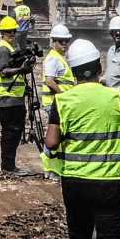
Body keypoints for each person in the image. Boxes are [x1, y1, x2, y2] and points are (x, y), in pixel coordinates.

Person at [45, 39, 120, 239]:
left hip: (75, 182)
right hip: (110, 182)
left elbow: (51, 142)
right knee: (110, 237)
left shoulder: (63, 101)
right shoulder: (117, 98)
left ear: (74, 72)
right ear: (99, 67)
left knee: (79, 238)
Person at [0, 16, 30, 176]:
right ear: (2, 32)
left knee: (13, 132)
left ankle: (9, 165)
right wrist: (21, 70)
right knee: (11, 133)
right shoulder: (3, 49)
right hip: (6, 99)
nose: (12, 33)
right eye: (9, 31)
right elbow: (3, 72)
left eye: (14, 31)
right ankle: (8, 166)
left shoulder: (9, 48)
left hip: (12, 98)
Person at [40, 24, 76, 179]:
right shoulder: (53, 58)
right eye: (61, 41)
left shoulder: (60, 58)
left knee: (58, 140)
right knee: (55, 139)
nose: (64, 44)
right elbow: (49, 81)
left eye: (66, 41)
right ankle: (51, 169)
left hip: (61, 104)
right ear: (53, 41)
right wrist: (63, 94)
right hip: (54, 104)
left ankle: (53, 169)